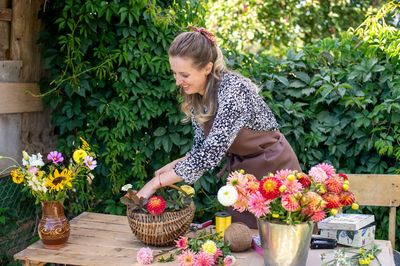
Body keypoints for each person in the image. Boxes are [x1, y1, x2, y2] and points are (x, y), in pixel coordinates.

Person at [136, 26, 301, 228]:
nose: (178, 81)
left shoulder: (233, 90)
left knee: (284, 241)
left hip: (274, 172)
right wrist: (165, 172)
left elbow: (210, 154)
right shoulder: (198, 96)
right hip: (241, 179)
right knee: (240, 242)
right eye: (175, 73)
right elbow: (199, 151)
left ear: (207, 67)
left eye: (184, 75)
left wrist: (154, 184)